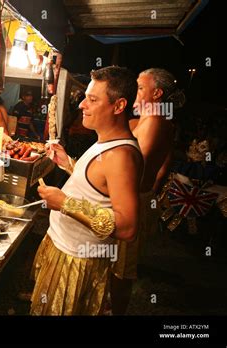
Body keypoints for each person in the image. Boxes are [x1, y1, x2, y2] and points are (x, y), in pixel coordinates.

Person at [30, 66, 144, 315]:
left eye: (92, 99)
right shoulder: (106, 140)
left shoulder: (121, 156)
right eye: (85, 97)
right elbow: (100, 188)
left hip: (77, 262)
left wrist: (65, 203)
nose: (82, 105)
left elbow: (127, 228)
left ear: (118, 106)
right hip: (65, 248)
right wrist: (69, 164)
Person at [110, 68, 186, 315]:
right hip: (134, 197)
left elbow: (131, 165)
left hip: (131, 200)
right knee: (111, 263)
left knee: (121, 269)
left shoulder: (154, 121)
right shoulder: (145, 119)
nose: (135, 92)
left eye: (141, 88)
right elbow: (165, 161)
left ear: (157, 93)